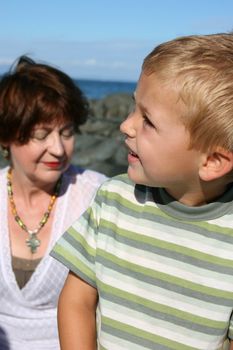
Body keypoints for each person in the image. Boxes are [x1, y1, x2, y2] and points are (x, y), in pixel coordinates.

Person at [51, 33, 233, 350]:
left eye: (147, 120)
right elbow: (76, 301)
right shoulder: (114, 200)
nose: (126, 125)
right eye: (134, 107)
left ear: (213, 161)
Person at [0, 55, 107, 350]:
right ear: (6, 136)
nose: (58, 149)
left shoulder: (96, 195)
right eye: (41, 134)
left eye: (67, 132)